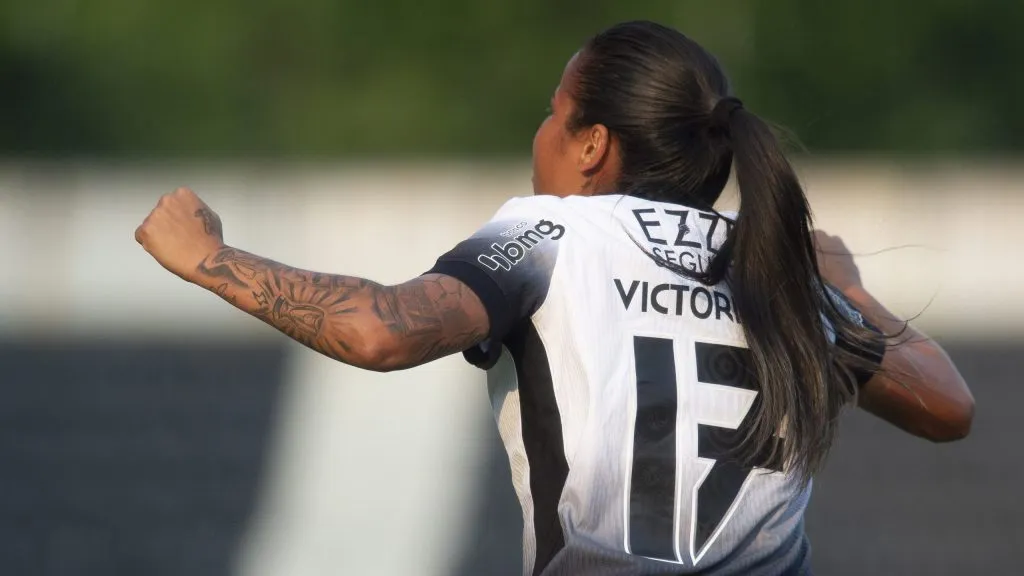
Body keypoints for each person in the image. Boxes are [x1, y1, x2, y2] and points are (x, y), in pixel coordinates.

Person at [135, 20, 974, 576]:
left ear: (592, 147)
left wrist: (209, 257)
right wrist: (850, 289)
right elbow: (945, 404)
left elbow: (380, 331)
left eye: (552, 114)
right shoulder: (774, 266)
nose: (538, 135)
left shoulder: (549, 236)